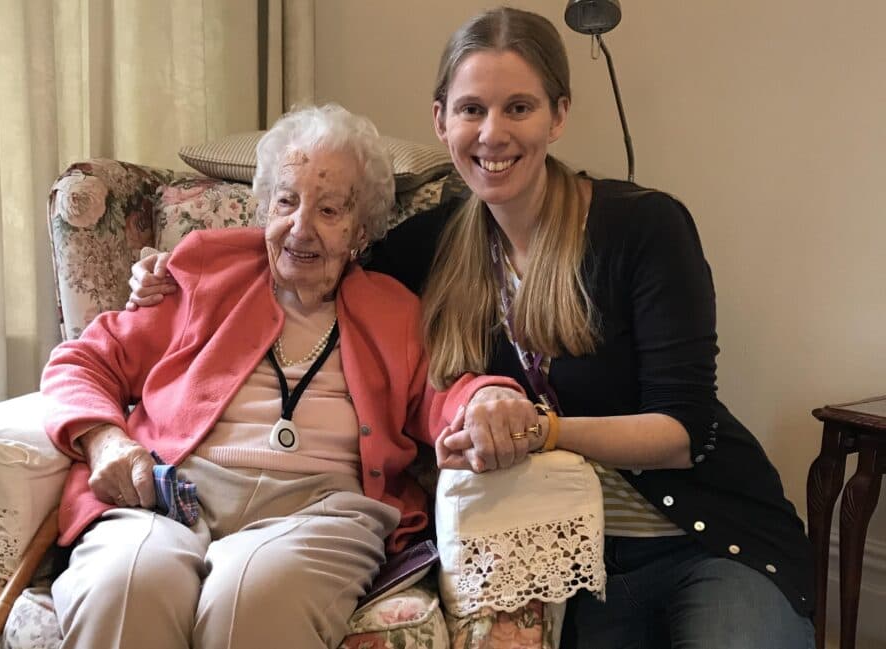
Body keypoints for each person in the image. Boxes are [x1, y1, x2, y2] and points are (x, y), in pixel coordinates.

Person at [129, 8, 815, 648]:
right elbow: (310, 253)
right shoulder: (426, 246)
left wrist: (540, 430)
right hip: (565, 562)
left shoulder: (642, 227)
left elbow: (684, 432)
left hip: (702, 538)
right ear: (440, 120)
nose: (493, 133)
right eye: (471, 110)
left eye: (519, 107)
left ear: (559, 115)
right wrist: (180, 273)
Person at [41, 104, 537, 649]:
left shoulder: (394, 313)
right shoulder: (203, 271)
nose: (300, 228)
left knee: (251, 592)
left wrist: (489, 397)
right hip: (171, 497)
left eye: (329, 210)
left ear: (362, 231)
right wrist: (105, 441)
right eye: (285, 201)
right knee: (125, 582)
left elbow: (445, 393)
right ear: (263, 208)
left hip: (320, 510)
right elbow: (82, 361)